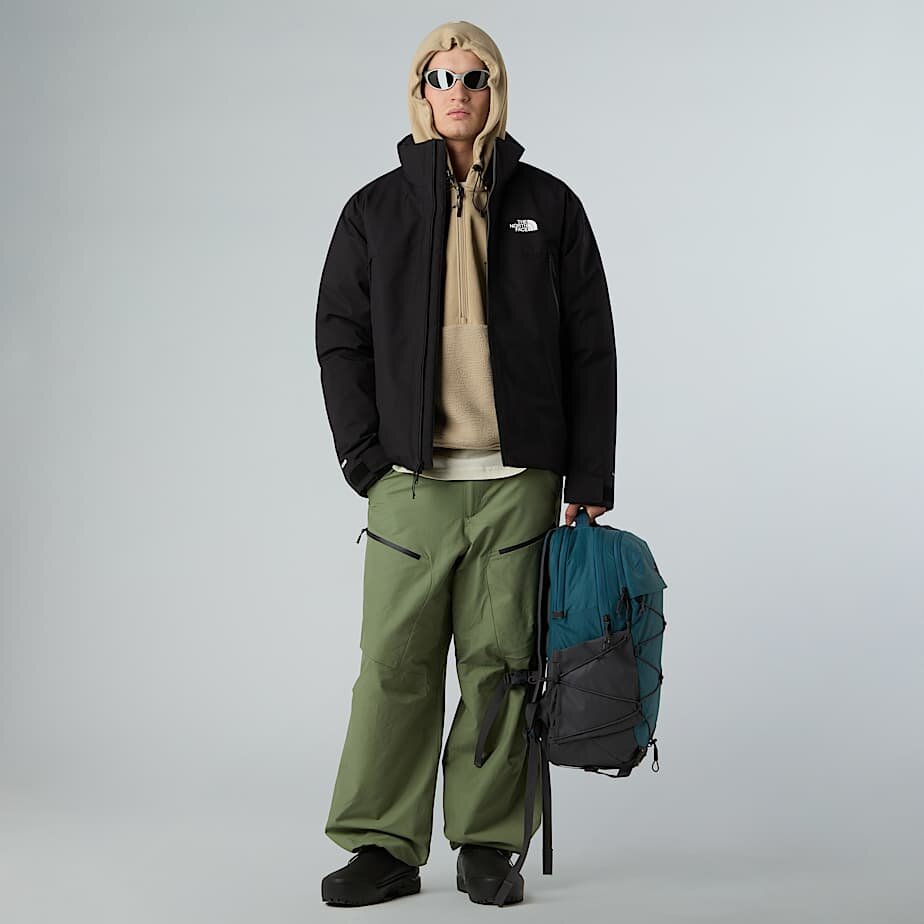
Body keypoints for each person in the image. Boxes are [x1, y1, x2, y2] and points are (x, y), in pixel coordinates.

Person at [315, 20, 617, 907]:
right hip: (410, 484)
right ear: (420, 91)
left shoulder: (549, 205)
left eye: (473, 77)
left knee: (503, 669)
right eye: (440, 77)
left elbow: (590, 345)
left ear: (495, 90)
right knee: (393, 668)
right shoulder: (373, 210)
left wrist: (587, 478)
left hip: (518, 484)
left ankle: (488, 842)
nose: (457, 92)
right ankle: (382, 845)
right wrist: (364, 460)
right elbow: (339, 339)